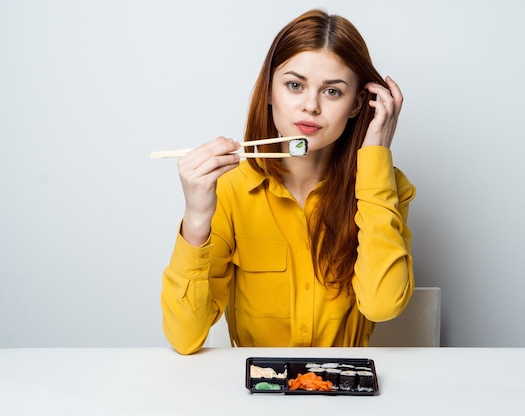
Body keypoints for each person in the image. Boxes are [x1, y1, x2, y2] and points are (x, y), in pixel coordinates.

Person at [161, 9, 416, 354]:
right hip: (259, 395)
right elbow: (184, 337)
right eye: (294, 85)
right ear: (269, 92)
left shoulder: (385, 186)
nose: (310, 106)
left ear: (357, 105)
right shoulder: (230, 189)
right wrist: (195, 217)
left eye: (333, 92)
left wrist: (375, 158)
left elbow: (382, 306)